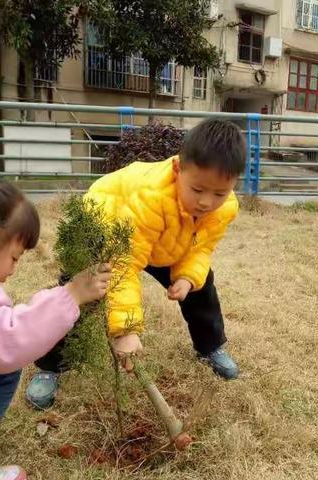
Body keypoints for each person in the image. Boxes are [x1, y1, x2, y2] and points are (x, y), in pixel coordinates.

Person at [26, 118, 246, 410]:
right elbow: (124, 263)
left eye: (219, 193)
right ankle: (49, 366)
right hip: (106, 226)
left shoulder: (225, 207)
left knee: (202, 286)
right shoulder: (153, 197)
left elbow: (201, 247)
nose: (206, 202)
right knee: (79, 294)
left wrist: (187, 278)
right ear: (178, 169)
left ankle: (210, 347)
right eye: (198, 190)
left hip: (160, 238)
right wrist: (126, 330)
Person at [0, 166, 112, 480]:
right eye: (14, 258)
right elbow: (7, 340)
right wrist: (71, 294)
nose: (13, 270)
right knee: (1, 368)